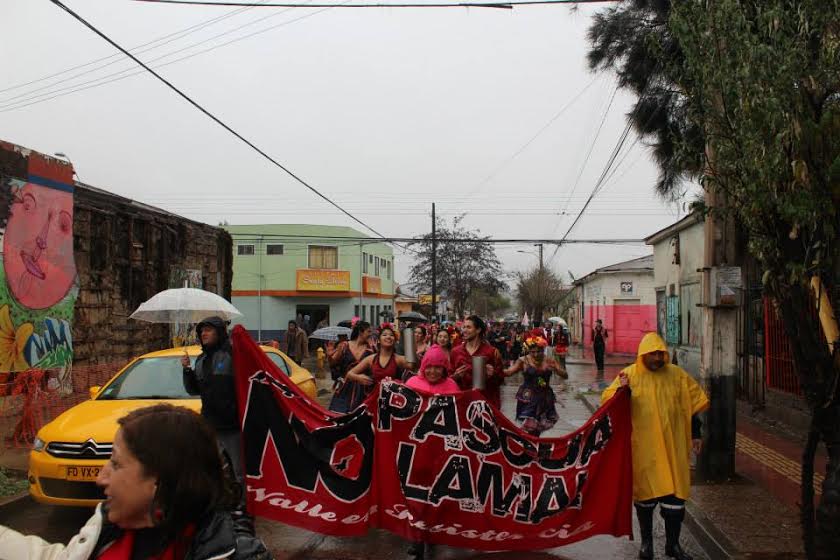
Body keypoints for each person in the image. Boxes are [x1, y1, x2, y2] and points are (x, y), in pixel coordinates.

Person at [0, 404, 271, 559]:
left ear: (159, 481)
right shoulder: (106, 528)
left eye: (116, 463)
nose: (100, 477)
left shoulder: (232, 553)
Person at [601, 333, 710, 560]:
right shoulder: (628, 376)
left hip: (674, 449)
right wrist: (623, 391)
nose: (659, 358)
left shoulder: (677, 376)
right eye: (654, 354)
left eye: (661, 354)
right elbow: (609, 403)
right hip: (644, 451)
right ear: (643, 354)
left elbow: (690, 406)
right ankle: (647, 545)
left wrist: (695, 434)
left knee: (675, 500)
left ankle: (673, 545)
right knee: (645, 500)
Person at [181, 317, 242, 483]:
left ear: (220, 332)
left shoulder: (232, 354)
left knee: (239, 469)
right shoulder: (201, 360)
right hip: (210, 424)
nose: (203, 334)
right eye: (201, 331)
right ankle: (221, 501)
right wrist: (187, 370)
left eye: (208, 330)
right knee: (213, 468)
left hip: (232, 425)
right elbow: (193, 390)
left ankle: (245, 503)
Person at [504, 334, 568, 436]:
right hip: (528, 397)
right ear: (528, 351)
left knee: (539, 424)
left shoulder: (549, 360)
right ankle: (531, 445)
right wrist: (494, 370)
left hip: (545, 396)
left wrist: (556, 369)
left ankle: (533, 444)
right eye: (533, 352)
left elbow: (565, 375)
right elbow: (509, 372)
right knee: (530, 424)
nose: (536, 354)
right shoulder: (523, 360)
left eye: (539, 351)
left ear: (543, 350)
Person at [343, 325, 412, 402]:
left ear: (395, 340)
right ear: (378, 340)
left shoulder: (399, 359)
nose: (388, 337)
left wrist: (409, 337)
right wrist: (359, 377)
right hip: (373, 400)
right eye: (384, 335)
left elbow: (412, 366)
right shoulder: (371, 359)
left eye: (391, 335)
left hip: (393, 401)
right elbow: (349, 374)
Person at [450, 315, 506, 409]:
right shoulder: (455, 352)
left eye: (468, 327)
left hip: (485, 404)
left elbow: (501, 379)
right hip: (462, 403)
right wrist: (455, 376)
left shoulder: (492, 352)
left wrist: (493, 374)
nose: (464, 330)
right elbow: (447, 378)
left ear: (478, 330)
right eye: (463, 327)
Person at [328, 320, 375, 413]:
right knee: (340, 416)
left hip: (364, 389)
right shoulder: (344, 345)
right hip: (345, 386)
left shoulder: (371, 349)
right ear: (361, 332)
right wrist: (329, 355)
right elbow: (332, 363)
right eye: (368, 331)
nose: (371, 334)